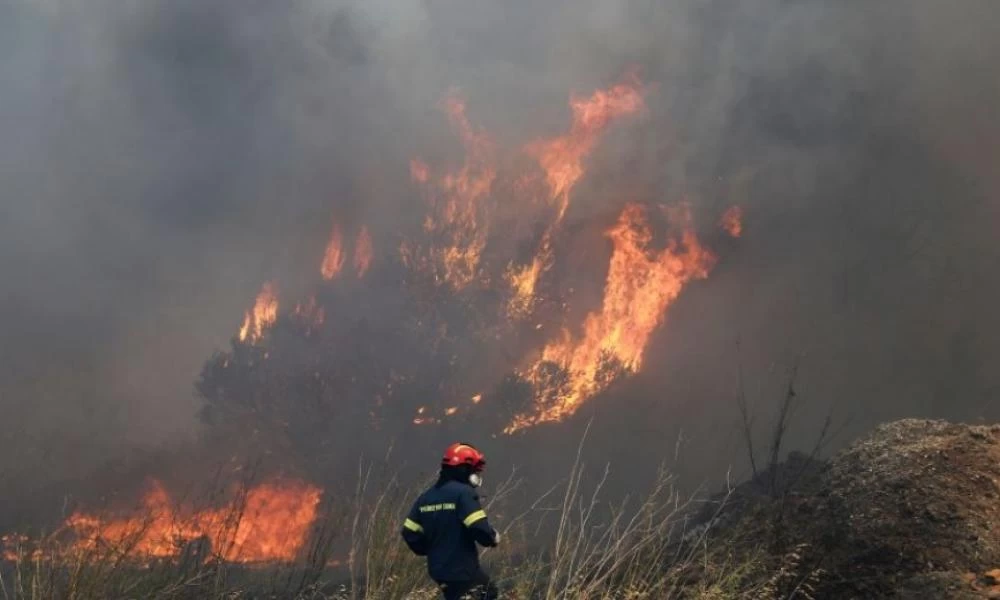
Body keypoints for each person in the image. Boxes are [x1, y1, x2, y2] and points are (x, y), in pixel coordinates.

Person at [401, 442, 501, 600]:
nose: (476, 476)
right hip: (462, 570)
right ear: (465, 468)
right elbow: (478, 527)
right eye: (474, 471)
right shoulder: (463, 493)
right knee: (488, 592)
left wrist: (431, 549)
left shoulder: (426, 497)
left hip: (438, 570)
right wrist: (492, 537)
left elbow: (409, 531)